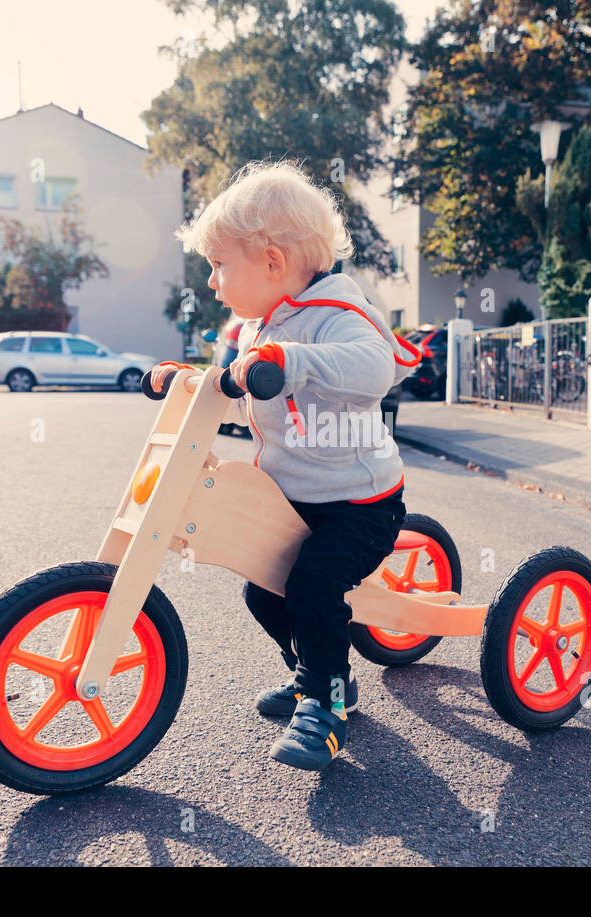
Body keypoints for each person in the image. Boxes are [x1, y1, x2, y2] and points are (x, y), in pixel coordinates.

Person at [150, 160, 420, 770]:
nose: (213, 282)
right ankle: (320, 676)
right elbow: (241, 386)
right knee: (263, 592)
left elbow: (374, 369)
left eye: (221, 265)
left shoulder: (338, 314)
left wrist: (293, 360)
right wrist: (193, 382)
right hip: (297, 496)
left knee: (312, 583)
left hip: (360, 504)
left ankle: (324, 707)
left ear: (273, 263)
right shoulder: (258, 326)